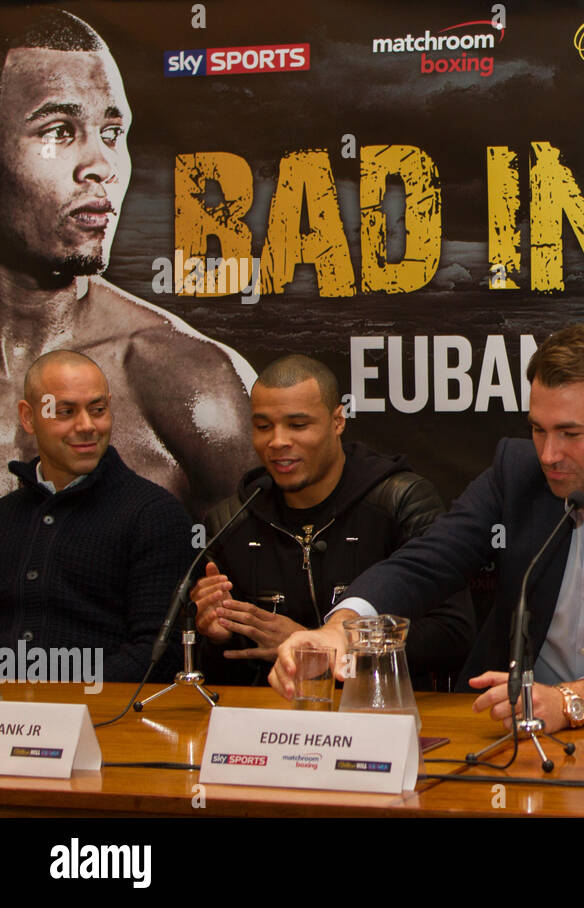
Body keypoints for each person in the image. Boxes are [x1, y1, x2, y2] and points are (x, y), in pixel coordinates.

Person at [269, 323, 584, 729]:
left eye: (571, 434)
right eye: (538, 429)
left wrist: (574, 700)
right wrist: (341, 628)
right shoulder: (517, 471)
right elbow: (428, 560)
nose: (549, 455)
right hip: (502, 726)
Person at [0, 8, 254, 516]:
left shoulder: (194, 381)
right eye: (60, 130)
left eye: (112, 134)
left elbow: (284, 581)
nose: (103, 166)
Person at [189, 355, 475, 687]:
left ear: (338, 421)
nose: (277, 441)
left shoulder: (400, 501)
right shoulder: (231, 518)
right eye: (263, 426)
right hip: (272, 719)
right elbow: (220, 676)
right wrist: (217, 636)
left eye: (298, 425)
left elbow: (453, 633)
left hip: (384, 713)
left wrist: (319, 644)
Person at [0, 351, 190, 681]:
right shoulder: (6, 515)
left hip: (105, 722)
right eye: (66, 411)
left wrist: (54, 694)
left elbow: (159, 652)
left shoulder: (154, 515)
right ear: (28, 417)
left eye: (98, 410)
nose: (87, 426)